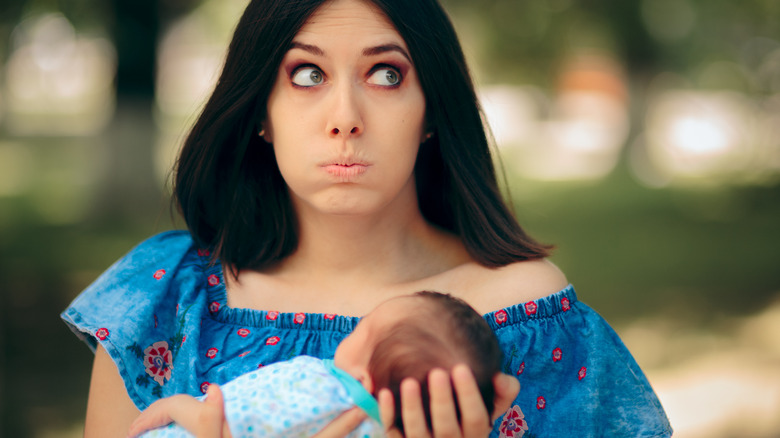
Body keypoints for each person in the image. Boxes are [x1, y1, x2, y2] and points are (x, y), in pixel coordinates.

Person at [61, 0, 673, 436]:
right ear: (260, 112)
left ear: (430, 109)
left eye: (386, 74)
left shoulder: (525, 316)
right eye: (307, 75)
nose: (345, 117)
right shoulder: (166, 298)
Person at [127, 291, 503, 437]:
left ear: (360, 376)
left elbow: (224, 428)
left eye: (363, 328)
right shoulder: (374, 432)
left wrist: (177, 406)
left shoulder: (321, 387)